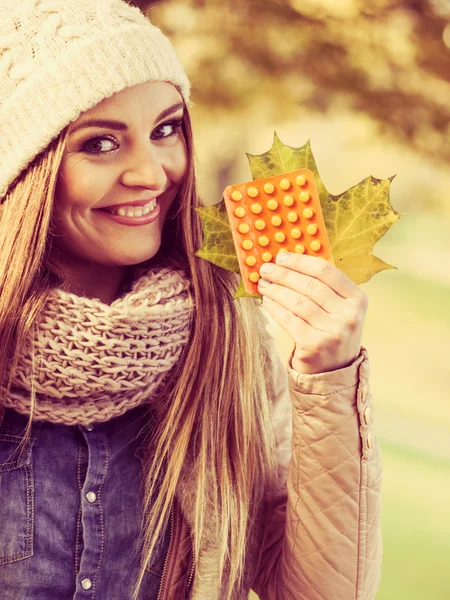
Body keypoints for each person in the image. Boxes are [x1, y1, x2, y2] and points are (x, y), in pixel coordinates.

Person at [0, 1, 382, 599]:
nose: (152, 174)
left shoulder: (225, 338)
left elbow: (319, 592)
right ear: (22, 169)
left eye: (165, 129)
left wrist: (329, 378)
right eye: (100, 144)